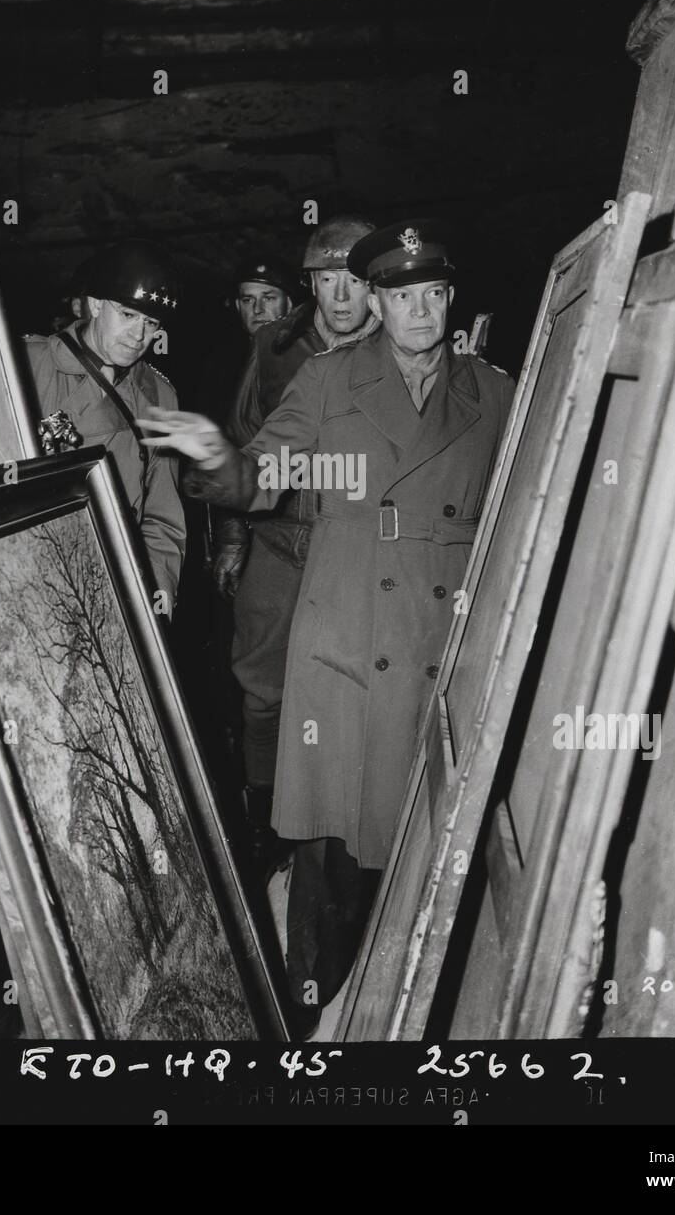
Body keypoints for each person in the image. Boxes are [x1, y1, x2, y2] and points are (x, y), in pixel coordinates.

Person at [140, 219, 515, 1029]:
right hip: (347, 635)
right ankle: (311, 1030)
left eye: (434, 294)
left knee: (428, 848)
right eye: (402, 295)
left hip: (444, 648)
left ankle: (410, 1020)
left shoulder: (493, 393)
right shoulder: (327, 379)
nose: (421, 310)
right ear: (375, 304)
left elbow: (523, 512)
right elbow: (261, 475)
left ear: (451, 299)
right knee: (333, 857)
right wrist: (214, 457)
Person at [211, 217, 378, 878]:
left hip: (358, 552)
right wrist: (230, 536)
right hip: (280, 543)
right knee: (261, 688)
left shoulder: (406, 344)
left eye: (354, 281)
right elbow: (238, 443)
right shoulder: (276, 346)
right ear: (310, 282)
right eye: (326, 280)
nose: (339, 297)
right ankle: (264, 820)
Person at [22, 240, 187, 613]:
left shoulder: (159, 396)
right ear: (96, 305)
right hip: (31, 570)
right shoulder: (28, 366)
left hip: (113, 577)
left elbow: (162, 507)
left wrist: (159, 576)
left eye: (151, 323)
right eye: (128, 315)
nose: (139, 336)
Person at [233, 257, 294, 338]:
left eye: (268, 298)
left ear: (288, 305)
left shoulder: (306, 349)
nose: (257, 310)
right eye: (248, 300)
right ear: (238, 306)